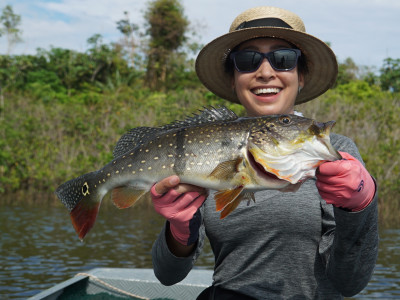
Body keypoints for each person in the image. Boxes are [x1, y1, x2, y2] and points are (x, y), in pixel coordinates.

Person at [150, 6, 379, 299]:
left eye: (284, 59)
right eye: (247, 60)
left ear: (302, 76)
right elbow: (168, 275)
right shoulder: (204, 149)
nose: (266, 72)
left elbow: (351, 282)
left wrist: (361, 206)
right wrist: (180, 230)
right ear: (233, 79)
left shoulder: (337, 152)